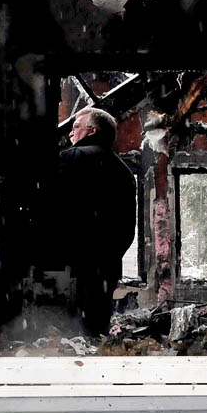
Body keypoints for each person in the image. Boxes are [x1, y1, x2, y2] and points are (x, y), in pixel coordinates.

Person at [59, 107, 137, 336]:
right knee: (94, 335)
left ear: (92, 131)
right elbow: (126, 230)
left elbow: (52, 213)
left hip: (68, 270)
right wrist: (107, 256)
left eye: (75, 127)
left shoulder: (70, 159)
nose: (70, 135)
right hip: (106, 269)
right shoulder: (124, 172)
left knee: (60, 341)